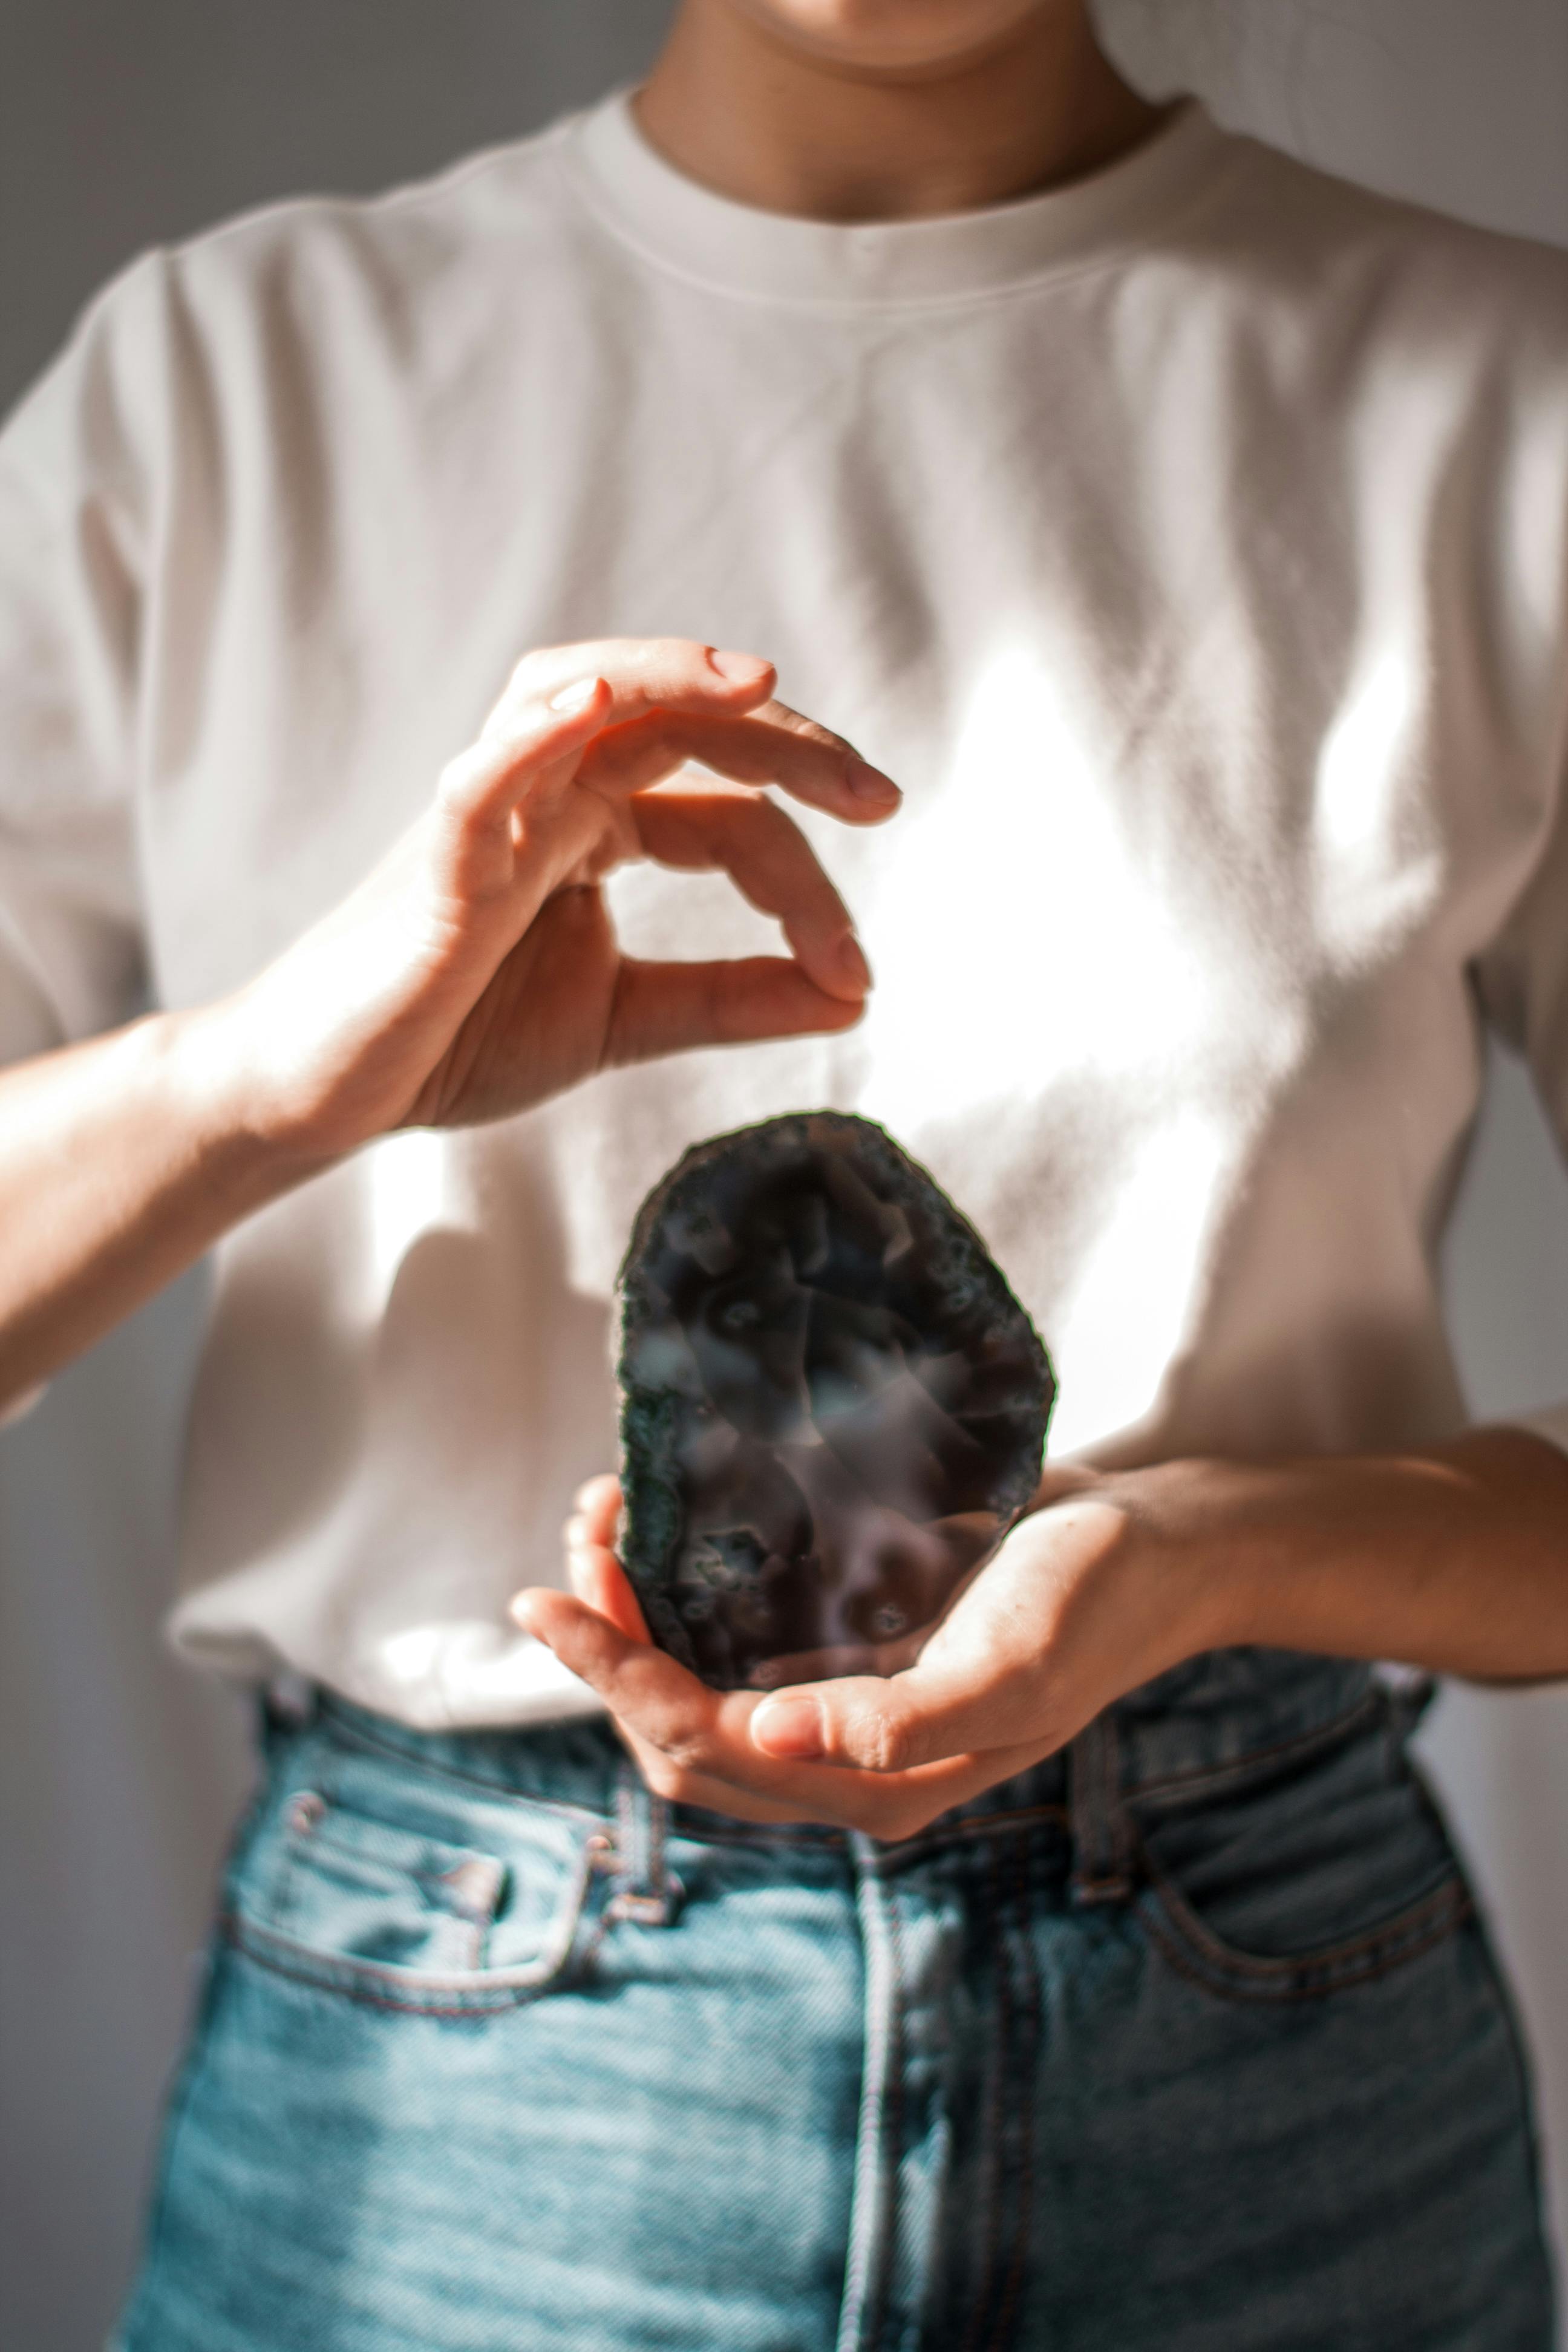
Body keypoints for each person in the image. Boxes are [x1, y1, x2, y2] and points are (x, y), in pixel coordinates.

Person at [2, 0, 1566, 2342]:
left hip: (1278, 2090)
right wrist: (273, 1078)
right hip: (455, 2132)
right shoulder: (223, 391)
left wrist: (1193, 1561)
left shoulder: (1505, 406)